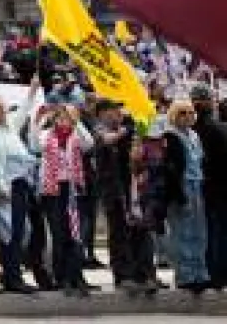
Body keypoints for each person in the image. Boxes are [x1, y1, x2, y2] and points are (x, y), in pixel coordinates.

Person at [31, 102, 93, 297]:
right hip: (53, 190)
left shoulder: (76, 135)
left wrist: (77, 122)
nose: (64, 121)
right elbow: (34, 145)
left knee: (75, 233)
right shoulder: (46, 135)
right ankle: (61, 276)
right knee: (58, 234)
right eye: (61, 117)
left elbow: (89, 143)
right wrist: (37, 121)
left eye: (67, 118)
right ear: (55, 119)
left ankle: (76, 275)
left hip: (72, 188)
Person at [92, 100, 155, 294]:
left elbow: (143, 156)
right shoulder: (98, 130)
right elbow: (107, 140)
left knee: (141, 232)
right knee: (119, 233)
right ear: (102, 114)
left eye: (118, 110)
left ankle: (144, 273)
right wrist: (126, 130)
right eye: (112, 110)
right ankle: (123, 275)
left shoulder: (130, 131)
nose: (117, 113)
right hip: (114, 191)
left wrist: (138, 145)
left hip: (134, 190)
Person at [0, 95, 39, 294]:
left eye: (3, 108)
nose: (3, 112)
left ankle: (14, 274)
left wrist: (32, 93)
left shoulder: (9, 128)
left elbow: (22, 113)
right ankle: (13, 277)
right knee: (10, 232)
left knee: (21, 231)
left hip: (20, 183)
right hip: (6, 187)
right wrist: (1, 186)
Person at [163, 98, 212, 293]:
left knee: (199, 231)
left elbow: (201, 161)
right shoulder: (170, 136)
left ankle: (200, 272)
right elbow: (171, 169)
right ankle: (185, 275)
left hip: (197, 184)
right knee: (182, 232)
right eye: (182, 113)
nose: (188, 116)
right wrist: (178, 193)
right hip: (182, 186)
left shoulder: (194, 135)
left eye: (190, 112)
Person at [189, 84, 227, 287]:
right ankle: (218, 272)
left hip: (207, 186)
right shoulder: (217, 128)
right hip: (217, 186)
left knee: (210, 231)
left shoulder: (193, 130)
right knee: (217, 230)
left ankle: (212, 272)